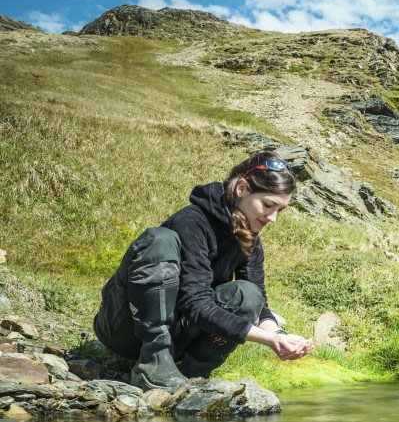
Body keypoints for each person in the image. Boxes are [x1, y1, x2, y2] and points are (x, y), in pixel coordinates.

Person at [94, 151, 313, 391]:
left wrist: (279, 336)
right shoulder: (192, 222)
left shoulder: (250, 237)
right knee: (160, 240)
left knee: (249, 294)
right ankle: (153, 364)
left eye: (280, 210)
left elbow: (259, 305)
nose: (273, 218)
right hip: (125, 331)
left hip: (180, 337)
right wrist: (267, 339)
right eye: (268, 205)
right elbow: (195, 302)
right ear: (241, 188)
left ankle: (192, 377)